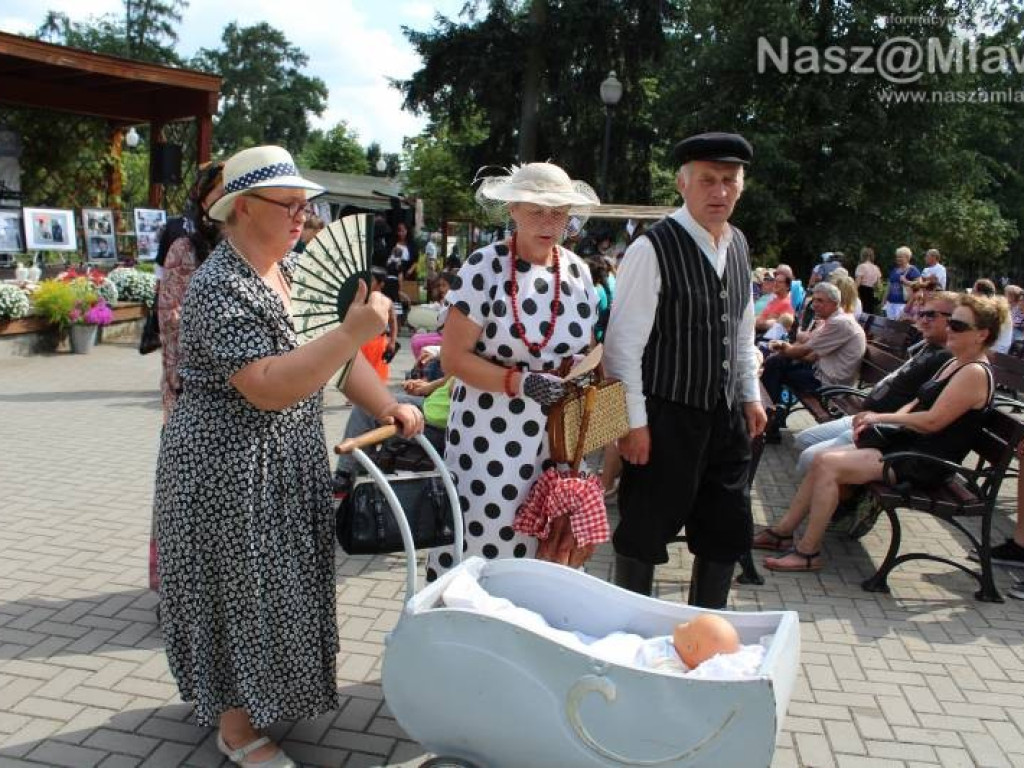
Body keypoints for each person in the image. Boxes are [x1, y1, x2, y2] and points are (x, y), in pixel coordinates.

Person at [154, 145, 424, 768]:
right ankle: (236, 729)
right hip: (227, 469)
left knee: (278, 587)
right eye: (290, 205)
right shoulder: (219, 285)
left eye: (307, 205)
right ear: (244, 208)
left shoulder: (293, 271)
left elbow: (336, 362)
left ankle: (262, 698)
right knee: (236, 590)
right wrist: (352, 331)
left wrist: (387, 404)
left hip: (281, 462)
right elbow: (268, 385)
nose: (304, 216)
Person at [604, 132, 767, 608]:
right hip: (665, 415)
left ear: (741, 186)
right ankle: (629, 628)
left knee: (725, 527)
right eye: (707, 180)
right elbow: (622, 348)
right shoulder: (652, 247)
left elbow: (742, 327)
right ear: (683, 184)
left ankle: (705, 630)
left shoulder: (738, 243)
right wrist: (632, 424)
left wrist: (749, 394)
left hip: (725, 415)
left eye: (729, 180)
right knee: (644, 530)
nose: (720, 191)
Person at [427, 162, 600, 583]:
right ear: (513, 209)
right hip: (490, 433)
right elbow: (453, 358)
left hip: (557, 435)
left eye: (559, 212)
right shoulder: (483, 267)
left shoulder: (577, 271)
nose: (549, 222)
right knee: (486, 539)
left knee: (549, 547)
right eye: (537, 210)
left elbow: (586, 350)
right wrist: (521, 382)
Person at [754, 293, 1001, 572]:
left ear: (982, 334)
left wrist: (879, 417)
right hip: (908, 446)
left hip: (925, 462)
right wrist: (882, 424)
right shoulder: (955, 362)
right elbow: (915, 403)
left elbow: (932, 422)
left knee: (829, 465)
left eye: (958, 325)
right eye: (951, 322)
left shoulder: (974, 372)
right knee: (822, 459)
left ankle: (808, 552)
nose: (950, 329)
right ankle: (782, 533)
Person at [792, 292, 956, 475]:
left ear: (953, 320)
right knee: (803, 439)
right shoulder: (928, 347)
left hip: (882, 428)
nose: (923, 320)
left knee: (810, 458)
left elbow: (922, 410)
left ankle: (835, 486)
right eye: (922, 313)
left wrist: (879, 419)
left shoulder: (945, 359)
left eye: (931, 315)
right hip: (866, 415)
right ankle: (834, 484)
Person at [157, 161, 225, 420]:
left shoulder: (258, 252)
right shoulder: (185, 250)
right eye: (222, 193)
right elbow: (170, 320)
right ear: (204, 201)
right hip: (194, 390)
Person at [761, 282, 866, 441]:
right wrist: (785, 350)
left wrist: (783, 347)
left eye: (820, 301)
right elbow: (810, 356)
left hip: (830, 383)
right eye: (814, 300)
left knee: (776, 364)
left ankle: (771, 419)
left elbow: (803, 351)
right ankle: (771, 419)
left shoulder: (839, 323)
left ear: (834, 303)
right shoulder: (834, 320)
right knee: (777, 363)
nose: (814, 304)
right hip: (823, 374)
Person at [973, 278, 1013, 353]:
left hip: (994, 352)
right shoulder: (997, 304)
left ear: (980, 293)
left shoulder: (992, 308)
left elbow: (983, 333)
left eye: (974, 291)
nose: (972, 295)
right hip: (997, 349)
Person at [883, 246, 920, 320]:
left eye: (900, 257)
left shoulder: (913, 270)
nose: (898, 259)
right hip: (890, 303)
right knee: (889, 324)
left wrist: (906, 281)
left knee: (900, 325)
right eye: (897, 257)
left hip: (904, 304)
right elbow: (889, 286)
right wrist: (884, 300)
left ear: (907, 258)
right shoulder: (894, 270)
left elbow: (919, 285)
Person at [855, 247, 882, 315]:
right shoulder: (876, 268)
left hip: (862, 291)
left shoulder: (861, 267)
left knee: (861, 312)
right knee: (869, 312)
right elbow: (879, 286)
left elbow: (857, 283)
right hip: (871, 291)